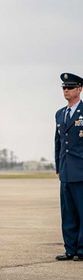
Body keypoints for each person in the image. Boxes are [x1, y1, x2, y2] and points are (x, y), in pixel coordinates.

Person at [55, 72, 83, 262]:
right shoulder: (60, 114)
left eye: (70, 87)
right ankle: (70, 248)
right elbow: (58, 142)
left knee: (82, 211)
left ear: (79, 89)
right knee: (67, 212)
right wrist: (58, 166)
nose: (66, 90)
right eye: (64, 87)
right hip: (65, 171)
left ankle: (81, 249)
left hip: (81, 171)